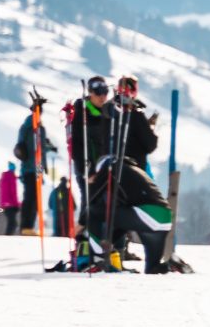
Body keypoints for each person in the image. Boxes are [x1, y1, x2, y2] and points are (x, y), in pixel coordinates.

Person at [67, 74, 175, 272]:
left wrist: (80, 225)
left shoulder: (116, 112)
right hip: (133, 181)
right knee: (111, 212)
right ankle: (109, 254)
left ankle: (101, 255)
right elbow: (150, 144)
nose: (101, 96)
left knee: (103, 211)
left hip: (117, 173)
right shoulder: (123, 112)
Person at [0, 168, 22, 234]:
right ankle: (7, 238)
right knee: (13, 223)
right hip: (10, 205)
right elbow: (13, 192)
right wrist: (17, 204)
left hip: (2, 207)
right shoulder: (11, 178)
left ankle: (7, 237)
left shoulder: (3, 178)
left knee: (11, 222)